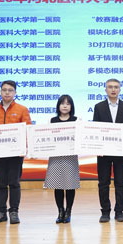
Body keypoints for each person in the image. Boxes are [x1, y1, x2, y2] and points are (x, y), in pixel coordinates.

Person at [0, 80, 32, 225]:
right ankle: (1, 213)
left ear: (15, 93)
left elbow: (28, 130)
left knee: (14, 183)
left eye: (10, 90)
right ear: (0, 92)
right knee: (0, 184)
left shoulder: (22, 109)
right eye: (4, 90)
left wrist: (24, 148)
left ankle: (14, 212)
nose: (7, 92)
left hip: (15, 154)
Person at [92, 78, 123, 223]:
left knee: (120, 182)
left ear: (120, 89)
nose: (113, 89)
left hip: (120, 152)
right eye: (110, 87)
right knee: (103, 182)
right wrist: (97, 147)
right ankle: (105, 211)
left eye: (116, 87)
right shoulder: (99, 107)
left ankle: (119, 211)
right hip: (104, 152)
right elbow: (96, 129)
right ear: (105, 90)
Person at [45, 95, 80, 224]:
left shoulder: (76, 120)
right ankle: (60, 211)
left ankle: (68, 212)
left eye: (68, 104)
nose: (65, 106)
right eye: (62, 103)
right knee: (57, 185)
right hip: (56, 156)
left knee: (70, 186)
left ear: (71, 106)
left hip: (70, 157)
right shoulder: (52, 120)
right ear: (58, 106)